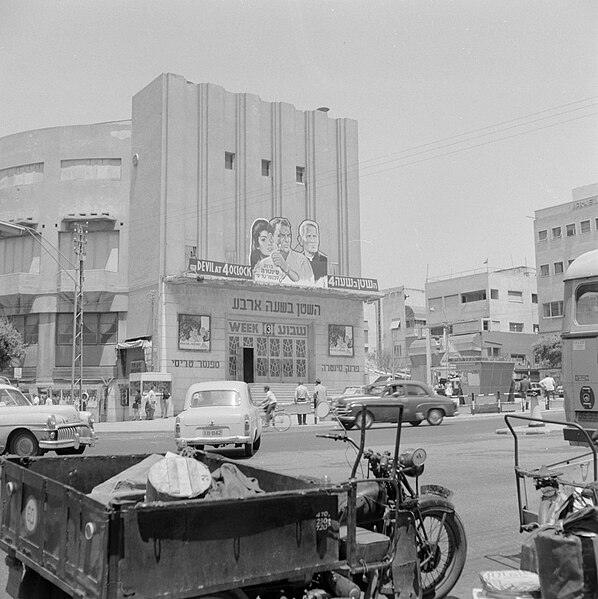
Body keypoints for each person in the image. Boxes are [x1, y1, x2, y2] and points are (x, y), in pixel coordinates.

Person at [269, 217, 314, 286]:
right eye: (281, 236)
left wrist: (286, 268)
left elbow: (311, 289)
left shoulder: (302, 261)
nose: (287, 240)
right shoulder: (264, 263)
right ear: (271, 238)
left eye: (289, 235)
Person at [296, 220, 328, 286]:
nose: (312, 241)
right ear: (300, 240)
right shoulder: (296, 262)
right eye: (309, 236)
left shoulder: (326, 262)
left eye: (315, 236)